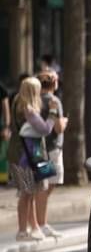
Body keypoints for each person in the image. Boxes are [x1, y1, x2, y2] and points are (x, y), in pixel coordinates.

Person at [8, 77, 64, 241]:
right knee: (26, 193)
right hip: (25, 156)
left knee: (30, 192)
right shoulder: (28, 110)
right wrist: (53, 112)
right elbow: (45, 129)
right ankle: (22, 231)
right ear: (33, 91)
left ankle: (33, 228)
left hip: (27, 153)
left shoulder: (17, 104)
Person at [35, 71, 66, 238]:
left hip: (38, 148)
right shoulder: (54, 101)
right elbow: (58, 128)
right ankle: (41, 223)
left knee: (43, 185)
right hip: (52, 148)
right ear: (54, 83)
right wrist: (64, 122)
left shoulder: (35, 100)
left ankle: (38, 222)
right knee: (47, 186)